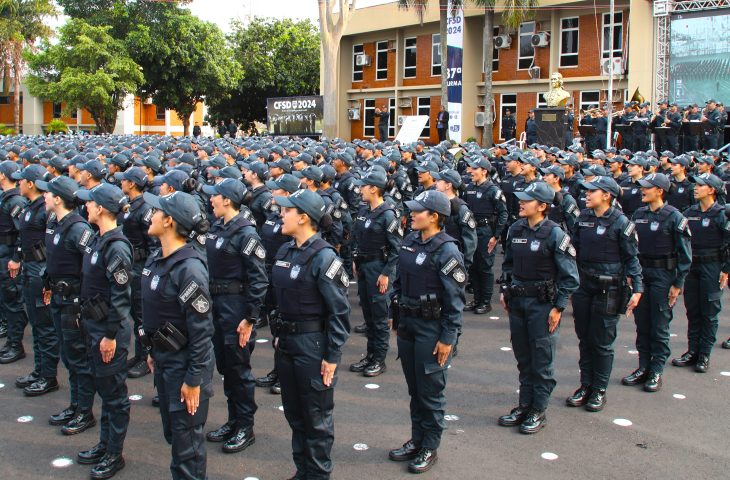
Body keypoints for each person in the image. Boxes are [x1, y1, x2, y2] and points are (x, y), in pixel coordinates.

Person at [270, 188, 350, 480]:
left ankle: (317, 475)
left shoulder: (324, 257)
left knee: (316, 419)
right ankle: (302, 471)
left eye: (287, 210)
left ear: (304, 218)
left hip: (312, 346)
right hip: (288, 343)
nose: (281, 213)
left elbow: (339, 313)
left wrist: (332, 356)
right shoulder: (285, 250)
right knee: (295, 415)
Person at [388, 190, 465, 474]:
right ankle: (417, 439)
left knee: (430, 391)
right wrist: (393, 316)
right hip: (408, 323)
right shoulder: (410, 241)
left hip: (431, 329)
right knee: (415, 389)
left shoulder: (447, 250)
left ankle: (430, 446)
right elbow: (399, 282)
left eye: (417, 211)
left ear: (434, 217)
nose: (411, 215)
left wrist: (448, 338)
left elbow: (455, 301)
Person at [142, 191, 215, 480]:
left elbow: (201, 332)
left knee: (188, 449)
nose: (152, 216)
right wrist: (151, 351)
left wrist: (194, 379)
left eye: (157, 212)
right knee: (175, 436)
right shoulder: (158, 260)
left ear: (169, 221)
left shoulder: (189, 269)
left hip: (184, 366)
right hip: (164, 359)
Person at [498, 181, 579, 434]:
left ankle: (538, 409)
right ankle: (524, 404)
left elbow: (570, 277)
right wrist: (506, 290)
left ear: (543, 206)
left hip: (542, 305)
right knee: (523, 357)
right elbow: (509, 265)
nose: (521, 202)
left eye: (527, 200)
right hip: (518, 301)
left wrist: (558, 307)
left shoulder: (555, 234)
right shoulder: (516, 228)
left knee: (541, 359)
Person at [201, 178, 268, 453]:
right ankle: (233, 420)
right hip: (216, 306)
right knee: (226, 368)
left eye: (215, 196)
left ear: (227, 200)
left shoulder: (246, 233)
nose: (211, 200)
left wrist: (250, 318)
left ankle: (245, 426)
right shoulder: (218, 227)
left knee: (239, 370)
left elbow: (259, 279)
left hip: (235, 308)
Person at [568, 176, 643, 412]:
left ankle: (599, 389)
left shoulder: (621, 223)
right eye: (587, 191)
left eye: (593, 191)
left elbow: (632, 258)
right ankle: (585, 385)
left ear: (607, 196)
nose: (587, 195)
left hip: (609, 288)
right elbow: (574, 250)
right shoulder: (584, 218)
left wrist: (638, 288)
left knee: (602, 342)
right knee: (585, 339)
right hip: (584, 286)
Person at [75, 184, 133, 479]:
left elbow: (121, 296)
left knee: (114, 393)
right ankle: (105, 443)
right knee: (104, 388)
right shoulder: (100, 240)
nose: (86, 206)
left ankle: (115, 452)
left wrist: (110, 334)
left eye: (90, 203)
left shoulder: (116, 246)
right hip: (94, 325)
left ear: (101, 209)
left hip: (108, 331)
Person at [38, 176, 98, 433]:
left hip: (73, 302)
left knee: (79, 358)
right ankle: (75, 405)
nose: (45, 197)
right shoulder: (56, 222)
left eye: (49, 194)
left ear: (59, 198)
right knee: (69, 356)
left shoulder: (79, 229)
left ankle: (84, 411)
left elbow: (90, 270)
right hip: (58, 298)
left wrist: (82, 303)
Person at [622, 173, 692, 392]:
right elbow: (631, 248)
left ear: (660, 191)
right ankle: (643, 367)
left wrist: (677, 283)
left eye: (648, 187)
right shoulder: (639, 214)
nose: (643, 190)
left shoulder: (674, 217)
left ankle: (656, 370)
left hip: (664, 275)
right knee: (642, 324)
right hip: (643, 273)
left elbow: (685, 255)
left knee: (659, 325)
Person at [671, 174, 729, 372]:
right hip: (693, 266)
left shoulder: (721, 214)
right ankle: (692, 350)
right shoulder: (689, 212)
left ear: (712, 190)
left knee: (709, 312)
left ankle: (704, 354)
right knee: (693, 310)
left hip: (712, 266)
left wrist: (726, 269)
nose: (696, 188)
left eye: (701, 185)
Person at [10, 165, 59, 396]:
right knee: (36, 323)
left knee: (45, 325)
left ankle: (48, 376)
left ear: (31, 184)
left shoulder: (44, 210)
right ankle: (39, 370)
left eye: (22, 181)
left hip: (40, 271)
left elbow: (50, 246)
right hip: (29, 269)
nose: (18, 183)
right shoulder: (31, 207)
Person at [349, 167, 401, 377]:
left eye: (364, 186)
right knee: (369, 315)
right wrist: (355, 257)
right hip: (363, 266)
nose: (360, 189)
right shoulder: (363, 210)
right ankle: (370, 355)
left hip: (378, 268)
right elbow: (356, 237)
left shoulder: (388, 214)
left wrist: (387, 273)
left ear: (374, 188)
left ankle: (379, 359)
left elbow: (397, 249)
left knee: (379, 317)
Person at [116, 167, 156, 379]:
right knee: (134, 312)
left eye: (124, 180)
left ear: (131, 183)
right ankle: (139, 353)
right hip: (130, 265)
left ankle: (145, 356)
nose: (121, 182)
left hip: (140, 266)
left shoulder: (145, 208)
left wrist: (149, 269)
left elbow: (153, 244)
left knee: (141, 315)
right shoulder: (129, 205)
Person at [463, 157, 507, 314]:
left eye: (474, 169)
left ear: (484, 171)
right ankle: (476, 298)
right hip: (471, 230)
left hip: (486, 231)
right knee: (473, 266)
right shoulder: (468, 188)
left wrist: (496, 236)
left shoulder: (493, 190)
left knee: (485, 267)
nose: (470, 171)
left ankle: (485, 302)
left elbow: (503, 213)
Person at [0, 161, 29, 364]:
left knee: (13, 300)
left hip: (9, 254)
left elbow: (22, 233)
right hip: (3, 252)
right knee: (5, 298)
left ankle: (15, 344)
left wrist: (16, 258)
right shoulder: (6, 198)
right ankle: (11, 341)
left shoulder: (16, 201)